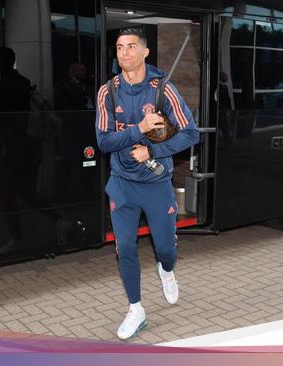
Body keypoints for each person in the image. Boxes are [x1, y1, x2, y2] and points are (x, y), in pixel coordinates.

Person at [95, 28, 199, 340]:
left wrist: (153, 149)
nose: (123, 53)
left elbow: (191, 133)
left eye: (130, 47)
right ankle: (136, 309)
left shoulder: (162, 90)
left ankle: (166, 269)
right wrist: (139, 129)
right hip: (122, 184)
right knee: (125, 247)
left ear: (145, 52)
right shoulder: (107, 92)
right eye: (118, 47)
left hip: (156, 183)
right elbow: (103, 141)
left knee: (165, 249)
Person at [0, 46, 35, 255]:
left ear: (2, 62)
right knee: (26, 192)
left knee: (7, 194)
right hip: (27, 144)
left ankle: (17, 239)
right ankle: (60, 221)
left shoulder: (2, 86)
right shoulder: (23, 83)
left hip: (12, 146)